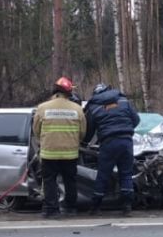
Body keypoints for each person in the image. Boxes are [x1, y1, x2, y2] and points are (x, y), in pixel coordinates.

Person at [33, 76, 87, 218]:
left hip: (49, 152)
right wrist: (74, 142)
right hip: (70, 153)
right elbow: (82, 132)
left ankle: (52, 209)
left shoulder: (42, 108)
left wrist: (43, 140)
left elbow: (36, 130)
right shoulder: (77, 109)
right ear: (69, 93)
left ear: (55, 90)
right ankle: (70, 208)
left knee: (49, 181)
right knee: (70, 180)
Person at [84, 82, 140, 216]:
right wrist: (126, 128)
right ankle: (127, 207)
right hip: (126, 141)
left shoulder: (94, 106)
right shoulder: (123, 100)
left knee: (103, 175)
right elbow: (136, 120)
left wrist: (85, 141)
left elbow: (89, 130)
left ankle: (96, 207)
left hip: (108, 143)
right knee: (126, 174)